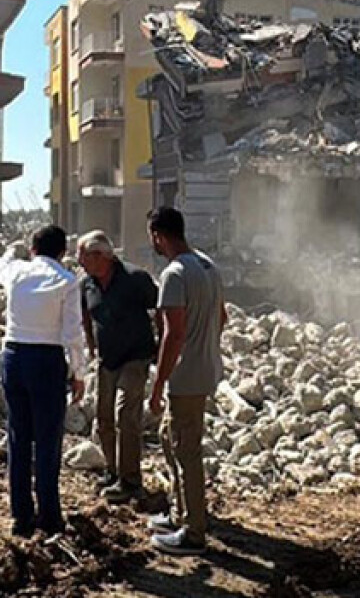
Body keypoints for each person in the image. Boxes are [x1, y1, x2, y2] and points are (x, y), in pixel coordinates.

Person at [0, 225, 87, 538]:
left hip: (13, 355)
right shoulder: (67, 281)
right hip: (46, 360)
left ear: (33, 249)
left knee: (18, 437)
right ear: (63, 253)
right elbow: (73, 334)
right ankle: (49, 516)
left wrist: (11, 249)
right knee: (48, 440)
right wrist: (79, 373)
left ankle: (21, 517)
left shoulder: (17, 272)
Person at [145, 206, 227, 555]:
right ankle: (181, 512)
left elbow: (172, 335)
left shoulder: (174, 275)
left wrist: (159, 384)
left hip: (187, 378)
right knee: (171, 438)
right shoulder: (207, 265)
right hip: (205, 369)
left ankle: (194, 532)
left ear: (159, 235)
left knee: (187, 450)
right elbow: (222, 317)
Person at [77, 229, 158, 503]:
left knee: (127, 414)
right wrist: (91, 346)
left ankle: (131, 481)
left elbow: (160, 309)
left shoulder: (135, 278)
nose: (79, 262)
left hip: (136, 356)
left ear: (102, 256)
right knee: (104, 418)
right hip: (107, 359)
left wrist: (160, 347)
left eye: (83, 256)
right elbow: (86, 316)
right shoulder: (87, 284)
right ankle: (113, 471)